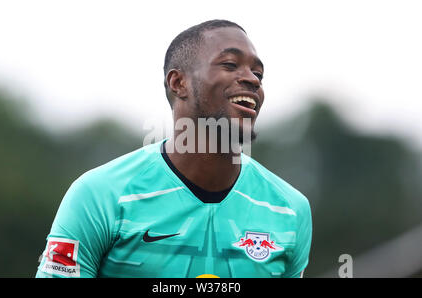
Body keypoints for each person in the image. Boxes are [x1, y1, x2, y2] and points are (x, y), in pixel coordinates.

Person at [36, 19, 312, 278]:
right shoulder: (100, 195)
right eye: (230, 64)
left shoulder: (290, 209)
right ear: (178, 83)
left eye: (258, 73)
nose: (252, 79)